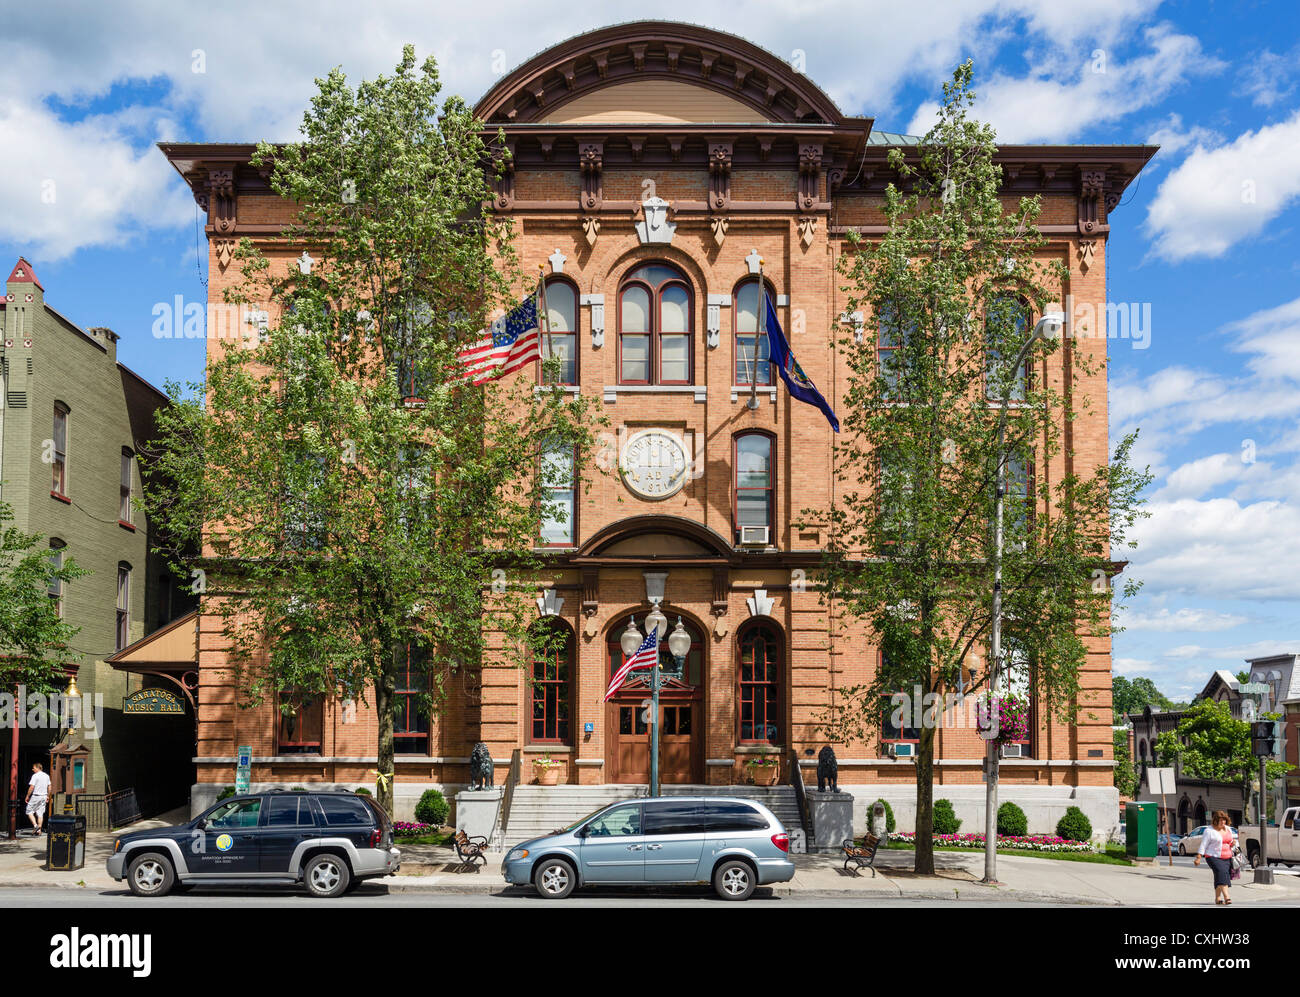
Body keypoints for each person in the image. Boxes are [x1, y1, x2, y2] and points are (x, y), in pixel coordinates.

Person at [1193, 810, 1236, 905]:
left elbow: (1230, 841)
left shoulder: (1228, 829)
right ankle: (1227, 897)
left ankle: (1217, 898)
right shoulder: (1209, 831)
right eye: (1220, 820)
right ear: (1215, 820)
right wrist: (1199, 857)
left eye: (1224, 820)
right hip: (1213, 857)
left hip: (1227, 857)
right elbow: (1203, 845)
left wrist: (1232, 843)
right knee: (1222, 874)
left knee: (1219, 876)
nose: (1222, 822)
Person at [25, 762, 51, 835]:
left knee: (29, 811)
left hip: (36, 796)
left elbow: (32, 787)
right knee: (40, 813)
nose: (33, 769)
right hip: (44, 796)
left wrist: (27, 796)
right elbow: (49, 787)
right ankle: (39, 831)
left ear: (38, 767)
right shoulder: (46, 776)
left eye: (34, 768)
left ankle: (36, 826)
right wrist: (48, 796)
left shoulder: (35, 776)